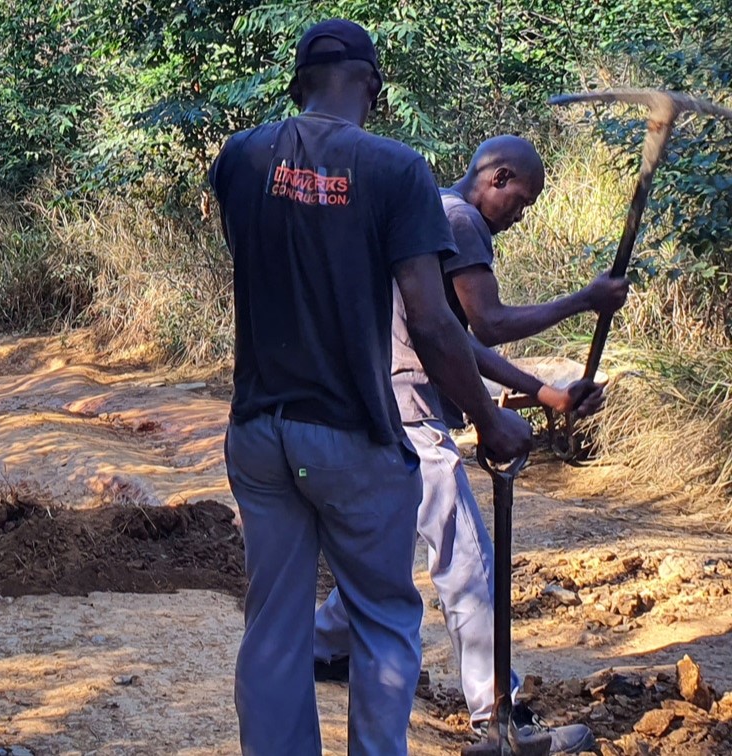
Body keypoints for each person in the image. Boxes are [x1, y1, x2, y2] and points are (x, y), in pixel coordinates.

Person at [209, 19, 534, 756]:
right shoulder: (396, 171)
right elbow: (431, 320)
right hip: (352, 432)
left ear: (298, 83)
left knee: (274, 627)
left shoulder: (239, 158)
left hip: (260, 431)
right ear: (373, 88)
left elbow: (263, 263)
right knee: (385, 616)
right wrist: (491, 419)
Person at [311, 135, 630, 754]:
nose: (521, 214)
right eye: (522, 199)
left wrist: (544, 393)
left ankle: (322, 650)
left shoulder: (429, 210)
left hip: (381, 407)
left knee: (385, 550)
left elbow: (464, 343)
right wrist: (584, 301)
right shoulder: (458, 219)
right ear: (496, 176)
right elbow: (491, 322)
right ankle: (497, 715)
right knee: (467, 561)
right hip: (412, 415)